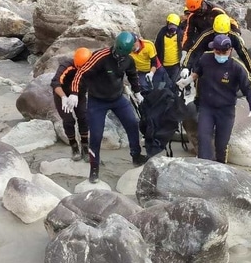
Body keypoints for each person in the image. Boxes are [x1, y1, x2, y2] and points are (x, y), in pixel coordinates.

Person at [65, 31, 149, 183]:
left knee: (132, 123)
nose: (118, 56)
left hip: (117, 98)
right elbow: (81, 73)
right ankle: (94, 169)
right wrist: (74, 93)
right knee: (96, 136)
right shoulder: (100, 56)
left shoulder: (129, 60)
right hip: (97, 101)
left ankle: (136, 155)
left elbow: (132, 76)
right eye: (117, 53)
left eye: (122, 55)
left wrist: (137, 93)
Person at [176, 34, 251, 164]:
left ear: (230, 50)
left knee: (221, 145)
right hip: (207, 107)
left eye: (224, 52)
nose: (220, 54)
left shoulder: (237, 67)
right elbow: (197, 72)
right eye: (217, 51)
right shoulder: (205, 58)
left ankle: (221, 166)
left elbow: (249, 88)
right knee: (204, 139)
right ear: (213, 49)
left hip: (226, 111)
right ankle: (205, 166)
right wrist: (186, 80)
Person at [180, 13, 251, 83]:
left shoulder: (233, 37)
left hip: (225, 64)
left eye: (223, 34)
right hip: (208, 63)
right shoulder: (206, 35)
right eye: (217, 34)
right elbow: (194, 50)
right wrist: (186, 67)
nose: (220, 36)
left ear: (228, 31)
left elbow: (243, 53)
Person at [50, 47, 92, 162]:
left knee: (83, 117)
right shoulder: (67, 65)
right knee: (68, 120)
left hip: (80, 94)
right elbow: (55, 82)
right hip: (63, 94)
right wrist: (63, 97)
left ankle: (85, 146)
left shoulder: (91, 67)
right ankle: (74, 147)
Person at [154, 13, 183, 85]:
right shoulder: (162, 33)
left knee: (173, 83)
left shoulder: (180, 34)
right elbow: (156, 47)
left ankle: (174, 95)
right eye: (170, 24)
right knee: (162, 84)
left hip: (176, 64)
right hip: (163, 64)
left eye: (174, 25)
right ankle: (162, 95)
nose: (172, 27)